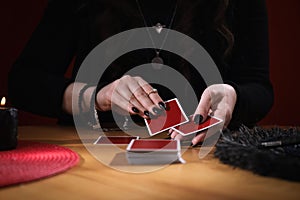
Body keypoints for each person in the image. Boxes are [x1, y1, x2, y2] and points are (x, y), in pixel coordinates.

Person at [8, 0, 274, 145]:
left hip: (207, 159)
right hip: (94, 163)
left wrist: (232, 96)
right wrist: (97, 96)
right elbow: (23, 83)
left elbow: (259, 88)